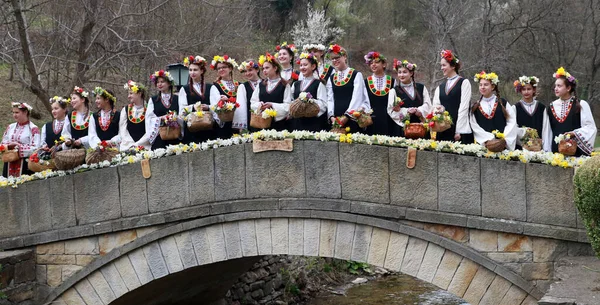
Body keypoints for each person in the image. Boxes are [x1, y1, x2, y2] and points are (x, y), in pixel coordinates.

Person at [542, 67, 597, 155]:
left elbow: (590, 128)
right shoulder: (551, 107)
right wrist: (547, 152)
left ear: (568, 88)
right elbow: (547, 132)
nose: (556, 88)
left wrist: (574, 133)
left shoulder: (581, 104)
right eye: (555, 86)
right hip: (556, 154)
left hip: (576, 153)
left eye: (559, 86)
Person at [325, 44, 370, 133]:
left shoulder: (356, 75)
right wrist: (331, 116)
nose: (334, 60)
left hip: (352, 117)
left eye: (337, 57)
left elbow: (357, 97)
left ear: (345, 57)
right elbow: (330, 99)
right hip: (337, 120)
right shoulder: (332, 77)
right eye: (332, 59)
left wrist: (347, 116)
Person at [432, 50, 473, 143]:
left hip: (459, 130)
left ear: (453, 66)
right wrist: (438, 110)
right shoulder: (440, 87)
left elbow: (464, 107)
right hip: (443, 129)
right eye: (441, 65)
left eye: (444, 65)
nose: (442, 68)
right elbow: (435, 106)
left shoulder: (464, 83)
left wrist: (459, 130)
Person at [470, 71, 517, 151]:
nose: (482, 87)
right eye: (480, 85)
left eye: (486, 84)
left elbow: (511, 122)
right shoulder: (475, 106)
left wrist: (504, 139)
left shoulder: (503, 103)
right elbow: (474, 126)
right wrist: (488, 139)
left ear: (492, 87)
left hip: (502, 147)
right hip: (484, 147)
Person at [388, 59, 431, 137]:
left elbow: (428, 104)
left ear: (411, 73)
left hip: (420, 127)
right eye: (399, 72)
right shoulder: (394, 91)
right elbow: (391, 110)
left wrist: (419, 111)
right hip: (402, 129)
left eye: (405, 72)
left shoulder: (421, 88)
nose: (401, 75)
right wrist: (407, 111)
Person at [250, 52, 291, 131]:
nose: (264, 70)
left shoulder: (284, 85)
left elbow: (288, 106)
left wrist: (272, 105)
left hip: (279, 126)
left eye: (267, 68)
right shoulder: (261, 85)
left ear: (275, 68)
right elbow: (253, 102)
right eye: (263, 68)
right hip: (261, 124)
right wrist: (260, 105)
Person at [179, 55, 214, 143]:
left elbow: (217, 106)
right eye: (190, 70)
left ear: (201, 71)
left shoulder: (211, 87)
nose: (192, 72)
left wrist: (208, 107)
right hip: (192, 129)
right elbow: (182, 110)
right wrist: (193, 107)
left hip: (209, 127)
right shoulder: (185, 89)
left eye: (195, 70)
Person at [289, 52, 328, 132]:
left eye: (305, 65)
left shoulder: (318, 84)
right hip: (297, 123)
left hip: (313, 123)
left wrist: (310, 103)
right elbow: (290, 101)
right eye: (301, 65)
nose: (302, 67)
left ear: (313, 66)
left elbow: (323, 104)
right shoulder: (296, 84)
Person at [209, 55, 246, 139]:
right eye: (218, 68)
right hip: (225, 124)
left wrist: (228, 100)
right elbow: (214, 107)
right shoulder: (215, 86)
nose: (221, 70)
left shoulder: (240, 85)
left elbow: (244, 103)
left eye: (224, 67)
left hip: (239, 124)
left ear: (230, 68)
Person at [1, 102, 40, 177]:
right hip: (9, 162)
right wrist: (8, 147)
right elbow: (2, 144)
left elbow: (36, 148)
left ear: (25, 112)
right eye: (13, 112)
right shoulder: (10, 127)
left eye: (17, 112)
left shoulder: (33, 128)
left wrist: (19, 148)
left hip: (25, 164)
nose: (14, 115)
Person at [146, 70, 183, 149]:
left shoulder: (177, 98)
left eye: (162, 82)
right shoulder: (153, 100)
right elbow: (149, 118)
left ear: (169, 83)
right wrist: (161, 118)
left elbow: (182, 114)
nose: (159, 84)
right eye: (158, 82)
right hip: (159, 137)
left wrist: (175, 117)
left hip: (175, 135)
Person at [363, 51, 396, 136]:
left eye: (376, 62)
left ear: (384, 64)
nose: (373, 64)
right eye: (371, 63)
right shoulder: (365, 82)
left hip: (388, 118)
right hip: (371, 118)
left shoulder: (392, 81)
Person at [512, 76, 548, 149]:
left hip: (538, 148)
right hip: (521, 149)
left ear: (534, 90)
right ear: (520, 91)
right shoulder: (515, 108)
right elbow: (513, 128)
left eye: (529, 89)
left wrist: (545, 147)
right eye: (523, 89)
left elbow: (545, 129)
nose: (526, 92)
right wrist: (524, 132)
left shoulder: (541, 108)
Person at [119, 80, 152, 151]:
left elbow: (151, 130)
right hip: (128, 147)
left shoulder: (149, 109)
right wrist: (131, 145)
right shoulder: (125, 110)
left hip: (145, 147)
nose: (128, 96)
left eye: (131, 93)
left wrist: (138, 144)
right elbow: (123, 130)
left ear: (139, 94)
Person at [236, 60, 261, 132]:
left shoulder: (266, 83)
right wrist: (242, 127)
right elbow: (241, 107)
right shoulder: (243, 87)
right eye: (245, 71)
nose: (247, 73)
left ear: (257, 70)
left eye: (250, 70)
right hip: (252, 122)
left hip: (267, 119)